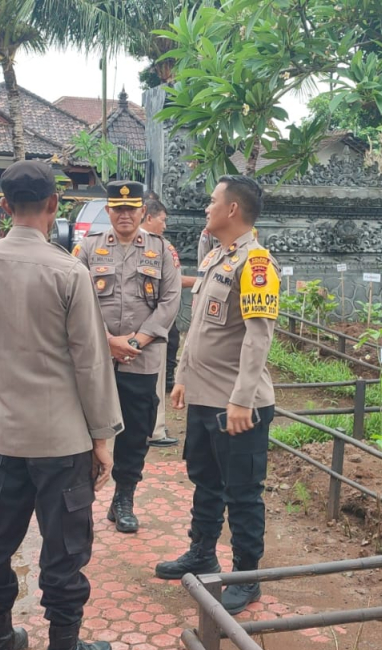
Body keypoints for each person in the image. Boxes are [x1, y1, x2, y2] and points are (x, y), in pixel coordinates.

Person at [0, 160, 123, 650]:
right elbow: (90, 362)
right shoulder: (67, 270)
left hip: (5, 438)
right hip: (62, 440)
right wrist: (103, 438)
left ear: (4, 206)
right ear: (55, 205)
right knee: (65, 549)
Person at [154, 175, 279, 615]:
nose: (206, 208)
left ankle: (246, 577)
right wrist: (183, 374)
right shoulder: (215, 259)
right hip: (206, 397)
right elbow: (199, 328)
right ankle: (202, 552)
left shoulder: (256, 264)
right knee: (204, 481)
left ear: (232, 211)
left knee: (242, 491)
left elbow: (258, 339)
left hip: (238, 405)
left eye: (212, 201)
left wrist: (242, 399)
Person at [72, 182, 181, 533]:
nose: (124, 214)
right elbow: (76, 303)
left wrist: (135, 340)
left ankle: (124, 498)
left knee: (136, 430)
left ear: (142, 213)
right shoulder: (88, 249)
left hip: (141, 357)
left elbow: (170, 301)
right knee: (87, 427)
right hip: (96, 358)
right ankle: (81, 497)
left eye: (131, 208)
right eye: (117, 208)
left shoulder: (162, 250)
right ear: (108, 211)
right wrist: (107, 341)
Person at [144, 198, 184, 448]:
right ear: (148, 217)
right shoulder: (162, 247)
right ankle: (155, 431)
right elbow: (172, 290)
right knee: (155, 382)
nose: (164, 225)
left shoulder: (112, 243)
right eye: (162, 219)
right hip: (153, 329)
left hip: (119, 331)